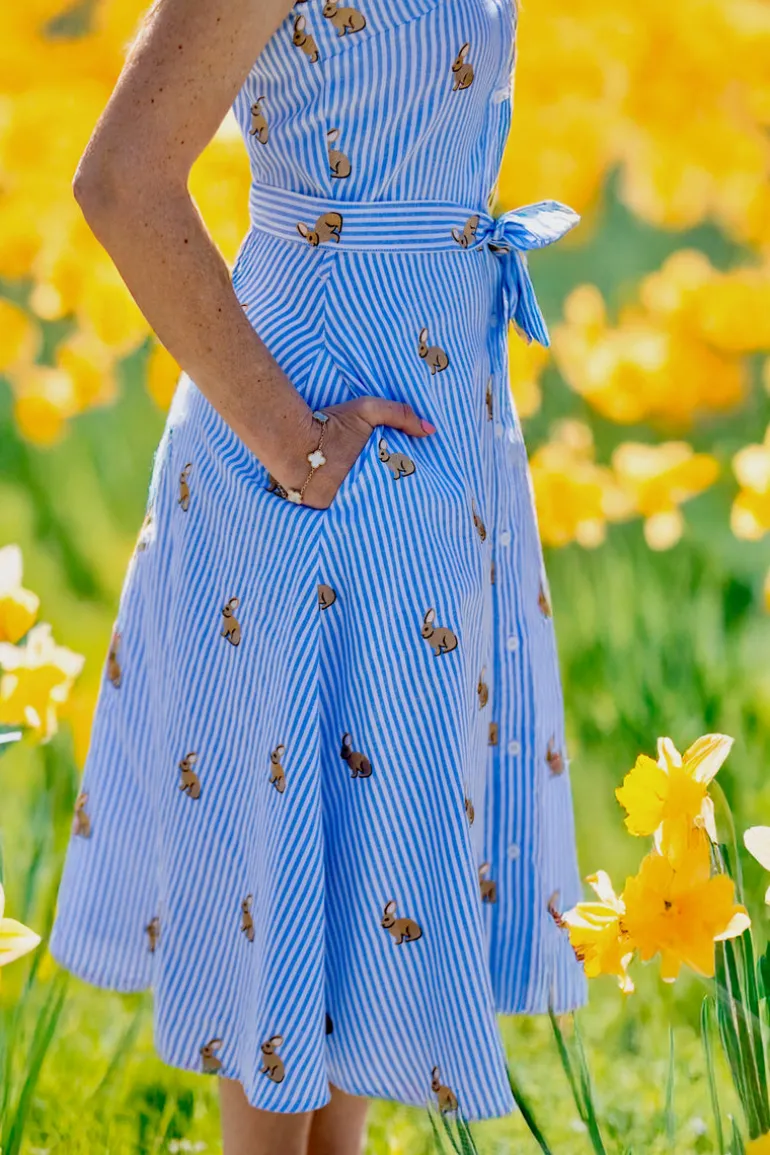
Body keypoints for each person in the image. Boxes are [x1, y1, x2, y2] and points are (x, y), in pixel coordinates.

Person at [48, 0, 587, 1152]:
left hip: (429, 423)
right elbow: (121, 180)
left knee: (355, 895)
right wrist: (289, 440)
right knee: (281, 912)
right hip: (303, 448)